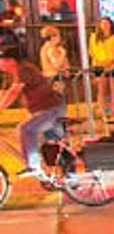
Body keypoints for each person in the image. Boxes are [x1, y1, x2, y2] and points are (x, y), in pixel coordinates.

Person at [0, 48, 68, 184]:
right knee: (51, 147)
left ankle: (34, 166)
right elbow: (5, 91)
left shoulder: (23, 69)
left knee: (25, 130)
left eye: (2, 60)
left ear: (11, 61)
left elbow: (14, 92)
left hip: (50, 110)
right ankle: (68, 179)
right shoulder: (12, 73)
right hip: (44, 110)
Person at [88, 16, 114, 118]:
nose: (105, 26)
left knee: (113, 88)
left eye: (107, 23)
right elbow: (92, 51)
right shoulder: (94, 37)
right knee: (102, 89)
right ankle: (105, 112)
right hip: (99, 64)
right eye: (102, 23)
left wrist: (110, 62)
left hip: (112, 64)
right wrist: (99, 62)